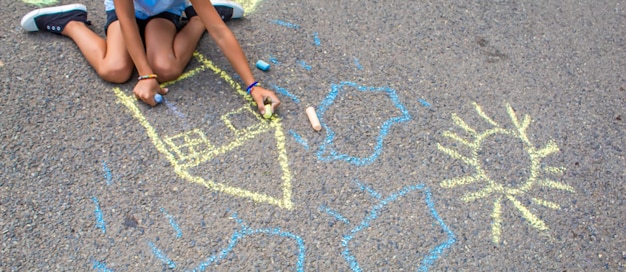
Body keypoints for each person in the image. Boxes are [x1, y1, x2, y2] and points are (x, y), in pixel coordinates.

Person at [20, 0, 280, 113]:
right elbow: (127, 22)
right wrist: (144, 75)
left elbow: (220, 33)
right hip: (127, 13)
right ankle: (70, 23)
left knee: (165, 69)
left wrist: (253, 86)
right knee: (115, 70)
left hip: (164, 13)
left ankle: (200, 16)